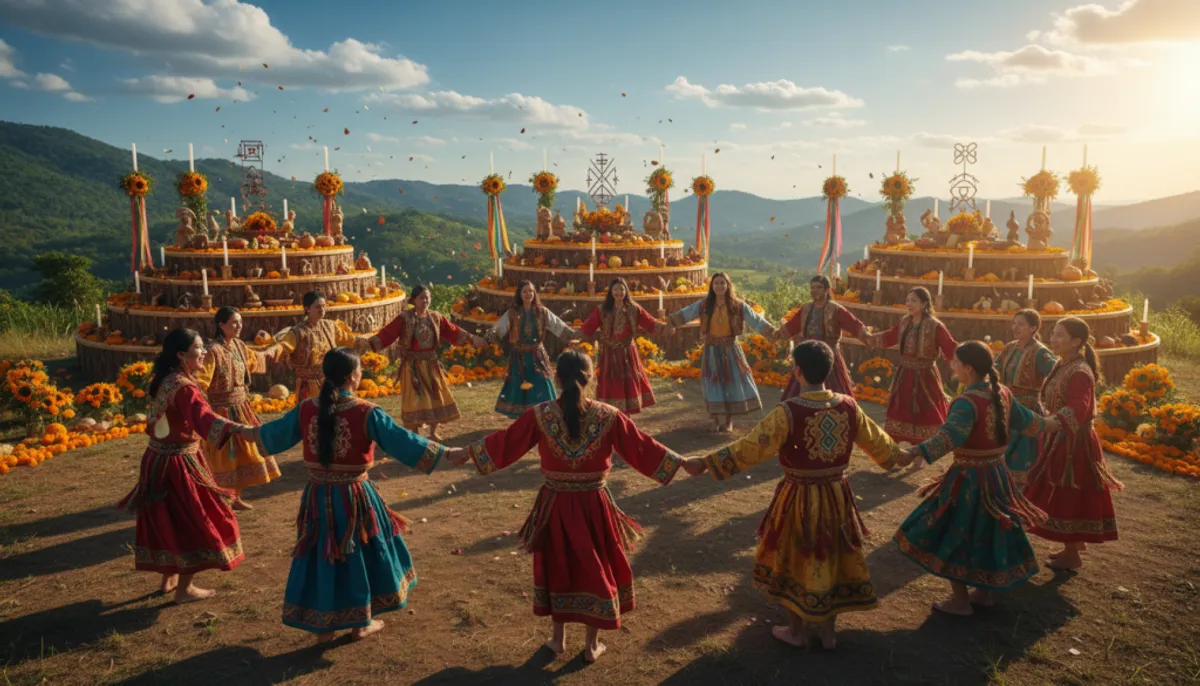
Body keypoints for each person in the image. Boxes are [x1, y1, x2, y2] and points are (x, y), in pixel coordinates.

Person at [449, 349, 684, 663]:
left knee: (557, 564)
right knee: (595, 566)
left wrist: (468, 452)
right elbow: (643, 447)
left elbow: (507, 442)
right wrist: (683, 463)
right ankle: (591, 645)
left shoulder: (541, 414)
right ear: (590, 377)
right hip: (593, 505)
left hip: (555, 504)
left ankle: (557, 639)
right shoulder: (608, 416)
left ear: (555, 377)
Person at [681, 340, 901, 650]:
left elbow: (750, 447)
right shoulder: (848, 406)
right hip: (837, 495)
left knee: (795, 557)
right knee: (834, 555)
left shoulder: (789, 411)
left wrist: (706, 463)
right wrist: (906, 456)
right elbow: (881, 445)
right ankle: (827, 634)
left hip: (798, 497)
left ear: (797, 370)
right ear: (829, 369)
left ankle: (796, 632)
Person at [253, 348, 461, 642]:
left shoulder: (307, 409)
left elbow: (270, 434)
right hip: (353, 496)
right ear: (352, 376)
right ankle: (360, 622)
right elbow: (402, 441)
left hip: (317, 495)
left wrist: (235, 431)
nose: (362, 373)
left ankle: (323, 627)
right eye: (360, 369)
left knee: (320, 554)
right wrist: (448, 453)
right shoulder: (366, 412)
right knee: (358, 554)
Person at [892, 341, 1055, 615]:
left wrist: (915, 452)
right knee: (990, 531)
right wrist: (1056, 423)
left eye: (955, 362)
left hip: (969, 478)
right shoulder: (1001, 392)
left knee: (956, 532)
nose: (951, 366)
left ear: (968, 368)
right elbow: (1029, 422)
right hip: (997, 475)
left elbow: (949, 437)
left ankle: (960, 601)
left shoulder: (966, 402)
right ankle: (983, 593)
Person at [118, 328, 257, 603]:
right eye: (198, 347)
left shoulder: (164, 380)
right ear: (182, 354)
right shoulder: (184, 388)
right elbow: (205, 420)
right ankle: (185, 589)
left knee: (168, 519)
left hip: (157, 459)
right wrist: (242, 430)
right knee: (198, 520)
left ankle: (169, 576)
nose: (204, 351)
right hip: (180, 463)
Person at [1023, 317, 1122, 570]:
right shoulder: (1063, 363)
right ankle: (1072, 548)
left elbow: (1080, 406)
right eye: (1053, 333)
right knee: (1063, 491)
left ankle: (1072, 553)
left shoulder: (1079, 371)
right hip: (1061, 436)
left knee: (1069, 492)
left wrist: (1052, 423)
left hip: (1074, 443)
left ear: (1076, 341)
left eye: (1060, 335)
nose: (1053, 339)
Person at [367, 284, 486, 440]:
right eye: (422, 298)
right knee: (414, 398)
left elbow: (452, 330)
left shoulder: (435, 317)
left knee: (435, 396)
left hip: (431, 363)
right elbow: (388, 333)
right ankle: (414, 433)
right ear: (414, 300)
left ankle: (432, 432)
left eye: (428, 297)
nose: (426, 301)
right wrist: (369, 343)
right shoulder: (404, 318)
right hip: (412, 365)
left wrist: (471, 338)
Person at [195, 306, 282, 510]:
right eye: (234, 322)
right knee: (224, 456)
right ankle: (222, 498)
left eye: (240, 322)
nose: (239, 326)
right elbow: (201, 381)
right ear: (221, 325)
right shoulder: (212, 351)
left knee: (244, 452)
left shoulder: (239, 346)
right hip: (221, 411)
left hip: (241, 408)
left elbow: (255, 360)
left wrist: (272, 351)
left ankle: (236, 497)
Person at [666, 272, 777, 432]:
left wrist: (772, 333)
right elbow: (687, 312)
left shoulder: (738, 305)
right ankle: (717, 420)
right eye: (716, 283)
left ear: (728, 285)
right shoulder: (705, 305)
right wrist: (672, 322)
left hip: (731, 349)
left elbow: (755, 319)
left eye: (722, 283)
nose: (719, 286)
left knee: (731, 383)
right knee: (713, 384)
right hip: (711, 350)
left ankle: (728, 421)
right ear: (712, 286)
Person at [867, 287, 957, 444]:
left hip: (926, 376)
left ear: (924, 304)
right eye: (907, 300)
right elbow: (889, 337)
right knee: (900, 410)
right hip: (905, 374)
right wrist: (868, 338)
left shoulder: (935, 326)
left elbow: (950, 347)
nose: (909, 304)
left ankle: (923, 451)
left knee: (925, 413)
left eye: (914, 301)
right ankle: (897, 447)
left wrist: (962, 362)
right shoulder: (904, 322)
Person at [486, 280, 578, 417]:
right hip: (519, 356)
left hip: (537, 355)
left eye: (531, 291)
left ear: (535, 293)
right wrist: (489, 337)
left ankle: (544, 413)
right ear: (519, 294)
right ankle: (523, 418)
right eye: (524, 291)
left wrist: (573, 335)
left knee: (541, 381)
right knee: (519, 384)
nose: (528, 294)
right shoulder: (512, 313)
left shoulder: (542, 312)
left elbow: (557, 325)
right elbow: (499, 328)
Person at [578, 277, 663, 414]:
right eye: (616, 289)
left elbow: (650, 323)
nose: (619, 292)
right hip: (609, 353)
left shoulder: (634, 309)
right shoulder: (602, 310)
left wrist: (666, 326)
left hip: (627, 353)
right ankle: (609, 414)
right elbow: (588, 326)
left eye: (622, 289)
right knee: (609, 383)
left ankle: (626, 416)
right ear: (611, 291)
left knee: (627, 383)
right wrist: (573, 335)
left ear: (626, 291)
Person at [776, 275, 866, 401]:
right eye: (812, 287)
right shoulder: (806, 308)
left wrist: (868, 336)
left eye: (819, 287)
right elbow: (791, 327)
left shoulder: (835, 309)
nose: (814, 290)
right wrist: (775, 334)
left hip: (828, 356)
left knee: (834, 394)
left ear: (827, 290)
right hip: (807, 355)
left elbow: (854, 324)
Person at [996, 309, 1057, 484]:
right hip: (1006, 404)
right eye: (1014, 323)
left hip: (1027, 408)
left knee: (1022, 449)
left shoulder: (1040, 352)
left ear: (1033, 328)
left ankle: (1023, 485)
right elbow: (996, 366)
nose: (1016, 327)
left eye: (1021, 324)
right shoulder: (1010, 347)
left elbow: (1055, 373)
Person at [276, 291, 367, 402]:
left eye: (324, 306)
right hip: (308, 387)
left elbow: (349, 340)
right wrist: (269, 353)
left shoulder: (330, 326)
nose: (322, 309)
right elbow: (283, 347)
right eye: (318, 307)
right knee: (311, 416)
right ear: (307, 309)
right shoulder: (298, 332)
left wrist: (369, 343)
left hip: (331, 383)